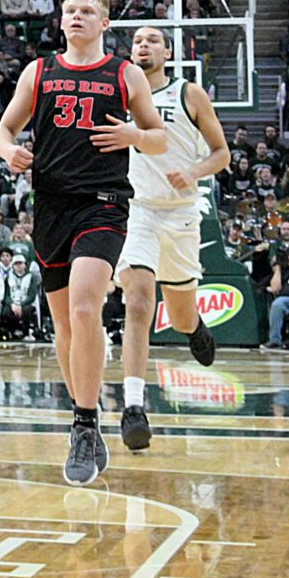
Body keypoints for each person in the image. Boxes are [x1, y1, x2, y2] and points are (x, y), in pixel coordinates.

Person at [0, 0, 167, 485]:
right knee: (65, 328)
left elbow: (158, 138)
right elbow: (3, 131)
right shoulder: (40, 71)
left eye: (87, 11)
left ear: (104, 24)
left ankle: (85, 425)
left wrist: (135, 135)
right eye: (69, 10)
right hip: (50, 206)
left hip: (104, 204)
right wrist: (8, 152)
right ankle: (84, 416)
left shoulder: (124, 73)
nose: (76, 17)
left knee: (86, 307)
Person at [112, 25, 229, 453]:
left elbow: (222, 153)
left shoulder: (190, 94)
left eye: (152, 40)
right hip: (136, 210)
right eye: (138, 41)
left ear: (168, 50)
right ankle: (134, 408)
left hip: (180, 212)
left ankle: (194, 325)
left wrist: (194, 172)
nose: (143, 45)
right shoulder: (119, 95)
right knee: (138, 301)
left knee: (178, 316)